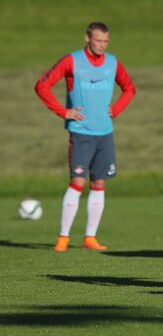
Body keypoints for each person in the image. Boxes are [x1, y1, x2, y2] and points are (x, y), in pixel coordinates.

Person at [35, 22, 136, 252]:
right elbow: (42, 86)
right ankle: (63, 237)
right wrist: (64, 112)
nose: (102, 45)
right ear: (87, 38)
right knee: (78, 182)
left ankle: (90, 237)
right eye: (98, 40)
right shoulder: (71, 60)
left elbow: (129, 88)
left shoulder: (112, 63)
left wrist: (117, 108)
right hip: (81, 133)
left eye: (106, 41)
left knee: (99, 183)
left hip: (105, 133)